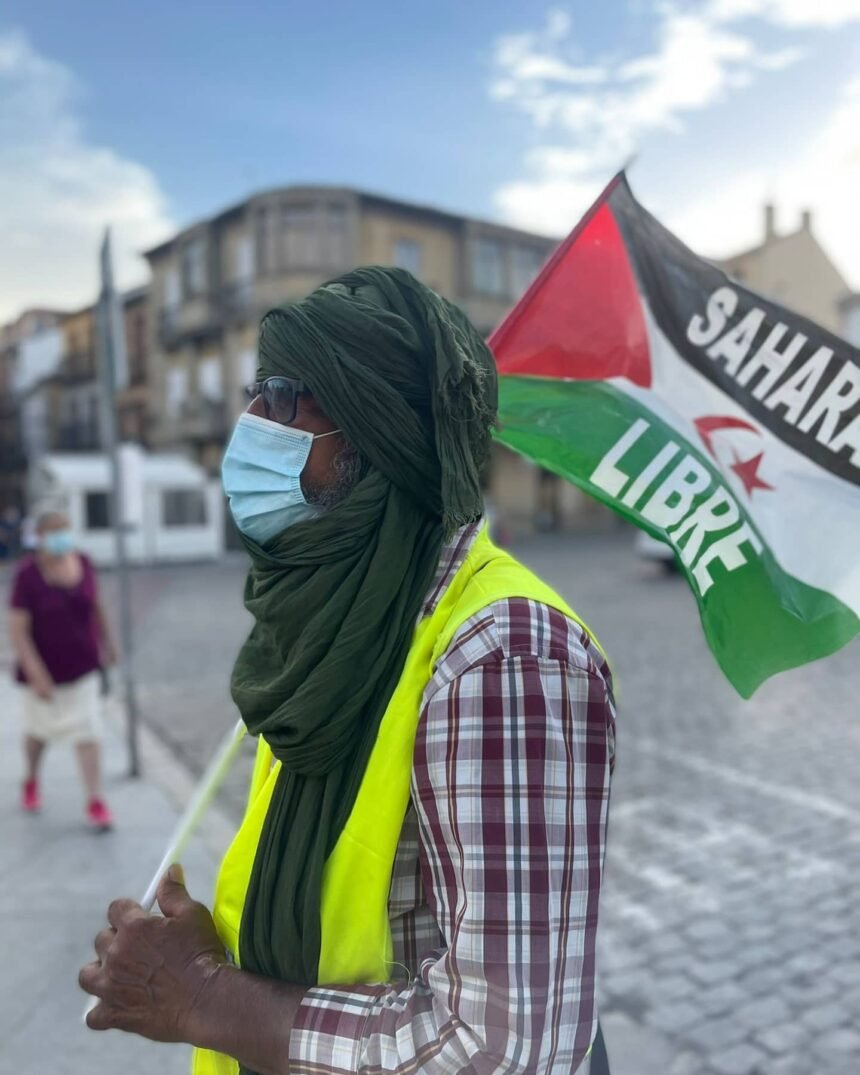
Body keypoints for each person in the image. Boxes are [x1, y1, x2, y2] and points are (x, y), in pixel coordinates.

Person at [80, 268, 616, 1075]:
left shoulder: (503, 653)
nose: (250, 422)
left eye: (281, 394)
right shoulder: (339, 623)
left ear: (375, 430)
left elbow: (504, 1050)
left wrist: (204, 996)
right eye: (253, 391)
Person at [8, 509, 116, 829]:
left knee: (89, 732)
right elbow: (17, 629)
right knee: (39, 733)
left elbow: (96, 605)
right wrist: (35, 671)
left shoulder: (82, 561)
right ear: (38, 537)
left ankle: (95, 801)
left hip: (83, 666)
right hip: (44, 672)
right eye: (53, 531)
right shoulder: (27, 574)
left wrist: (109, 642)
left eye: (64, 529)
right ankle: (30, 779)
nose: (61, 538)